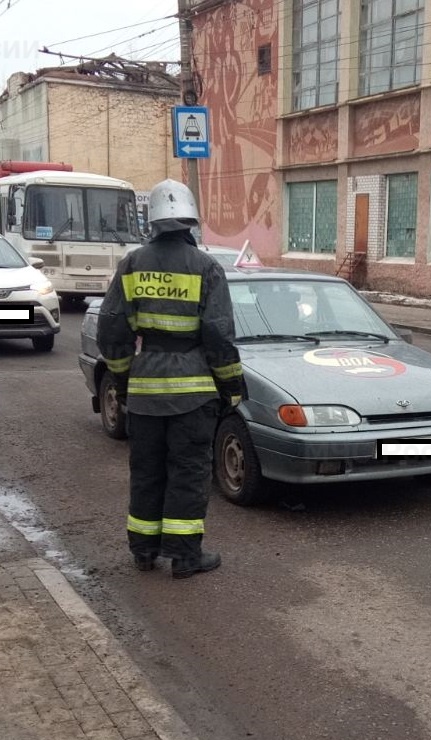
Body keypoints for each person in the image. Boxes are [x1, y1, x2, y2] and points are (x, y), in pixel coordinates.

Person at [97, 179, 243, 579]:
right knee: (188, 474)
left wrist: (125, 379)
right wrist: (231, 386)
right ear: (190, 221)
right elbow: (217, 334)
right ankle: (184, 558)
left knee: (146, 472)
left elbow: (111, 331)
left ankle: (143, 552)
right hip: (193, 396)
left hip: (145, 393)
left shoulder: (131, 263)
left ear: (153, 220)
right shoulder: (207, 267)